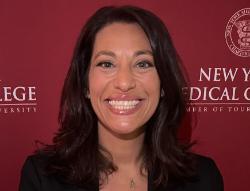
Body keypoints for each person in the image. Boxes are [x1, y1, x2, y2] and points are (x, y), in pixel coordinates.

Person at [19, 5, 223, 191]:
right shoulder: (41, 178)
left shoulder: (203, 179)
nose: (124, 82)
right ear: (85, 85)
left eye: (143, 64)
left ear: (163, 84)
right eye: (107, 64)